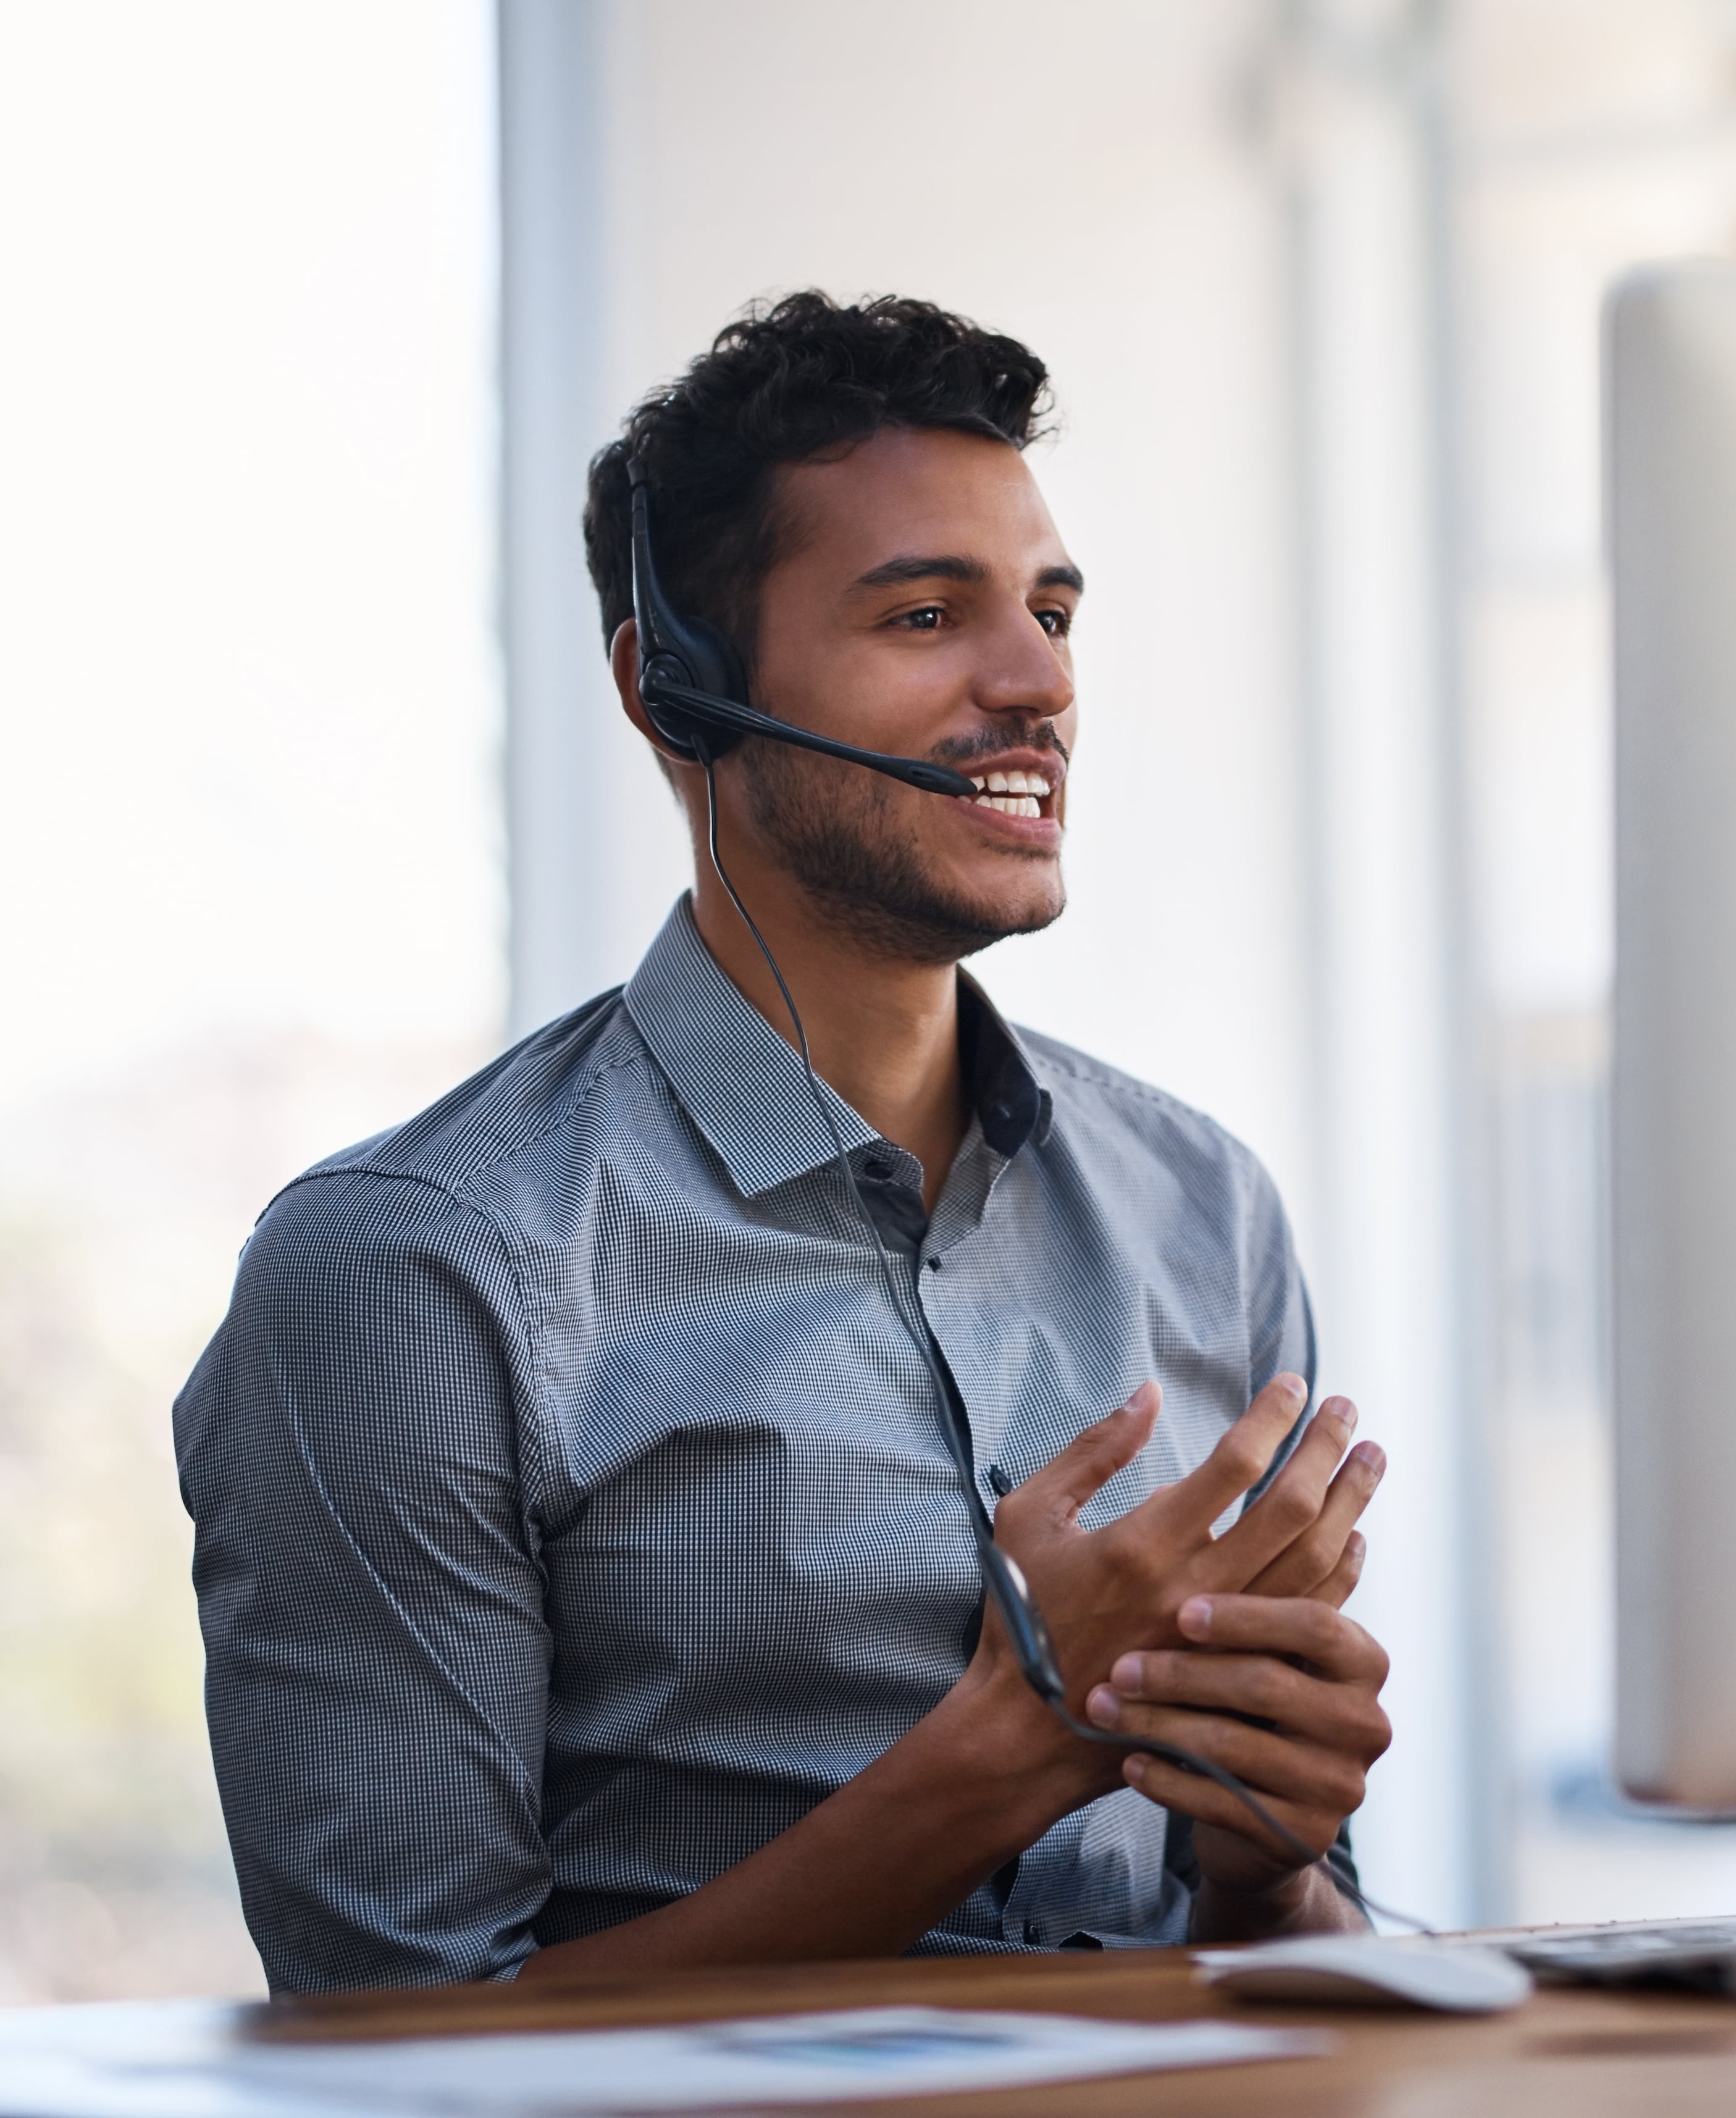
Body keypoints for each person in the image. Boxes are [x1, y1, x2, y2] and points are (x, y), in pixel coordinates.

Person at [172, 293, 1394, 1993]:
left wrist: (1264, 1874)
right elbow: (398, 2047)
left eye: (1051, 612)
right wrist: (1016, 1745)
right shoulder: (419, 1266)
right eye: (922, 615)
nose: (1038, 682)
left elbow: (1282, 1945)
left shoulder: (1203, 1211)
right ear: (673, 688)